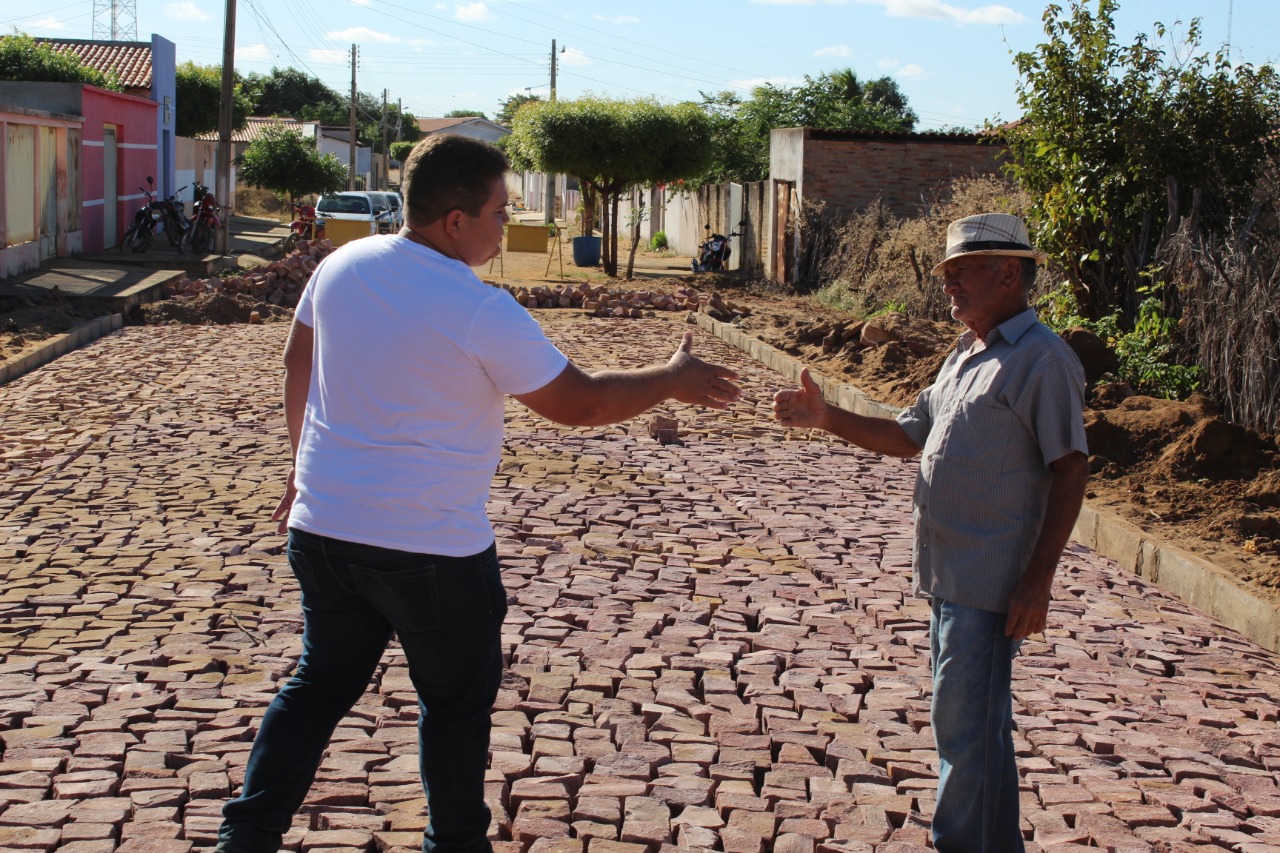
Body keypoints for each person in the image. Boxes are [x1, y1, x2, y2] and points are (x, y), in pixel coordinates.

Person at [214, 135, 741, 853]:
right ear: (455, 220)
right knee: (455, 708)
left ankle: (245, 837)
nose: (506, 225)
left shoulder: (340, 264)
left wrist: (301, 462)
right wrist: (670, 379)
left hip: (326, 530)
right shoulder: (476, 307)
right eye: (499, 212)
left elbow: (297, 357)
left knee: (315, 687)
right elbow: (578, 404)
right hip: (431, 549)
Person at [773, 213, 1089, 852]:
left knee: (963, 730)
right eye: (945, 273)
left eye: (959, 272)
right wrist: (826, 416)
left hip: (992, 581)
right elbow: (908, 436)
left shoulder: (1041, 360)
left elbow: (1071, 468)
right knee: (978, 730)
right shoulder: (966, 354)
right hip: (947, 573)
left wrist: (1039, 580)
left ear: (1008, 274)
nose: (947, 285)